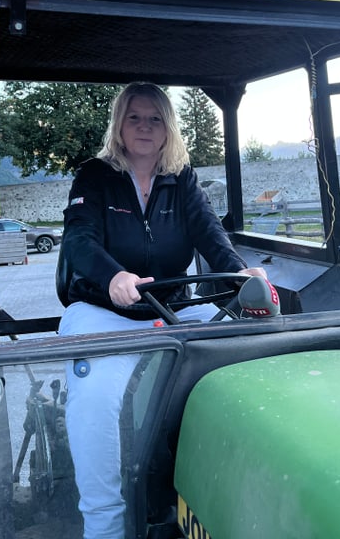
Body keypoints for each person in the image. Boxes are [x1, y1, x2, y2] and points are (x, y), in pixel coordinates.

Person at [58, 82, 266, 539]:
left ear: (168, 127)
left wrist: (240, 275)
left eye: (155, 118)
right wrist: (113, 276)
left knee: (243, 364)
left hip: (171, 310)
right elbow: (78, 239)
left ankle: (225, 500)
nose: (145, 127)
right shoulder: (94, 175)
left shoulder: (182, 178)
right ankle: (105, 524)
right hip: (103, 310)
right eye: (135, 117)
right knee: (95, 399)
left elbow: (211, 235)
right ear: (120, 124)